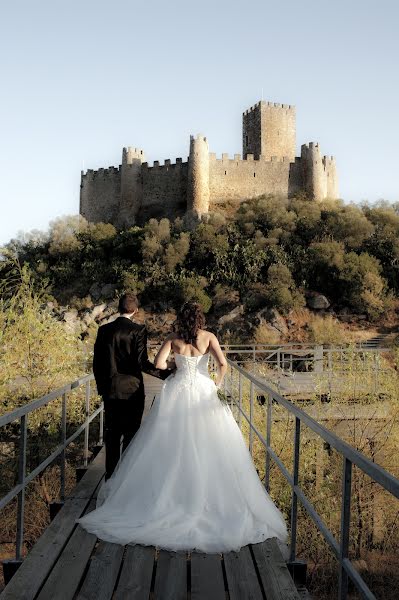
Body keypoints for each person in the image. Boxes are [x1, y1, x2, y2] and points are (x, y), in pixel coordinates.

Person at [78, 302, 288, 553]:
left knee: (170, 444)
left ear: (181, 319)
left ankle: (168, 497)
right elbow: (223, 365)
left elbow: (158, 364)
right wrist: (217, 385)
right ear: (200, 319)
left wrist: (175, 366)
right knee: (212, 443)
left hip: (177, 390)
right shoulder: (209, 337)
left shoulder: (173, 339)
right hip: (203, 390)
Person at [92, 293, 172, 479]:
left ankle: (110, 477)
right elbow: (142, 363)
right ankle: (125, 479)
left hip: (110, 390)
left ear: (118, 309)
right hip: (132, 390)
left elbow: (97, 364)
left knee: (111, 435)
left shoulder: (104, 330)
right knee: (131, 434)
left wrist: (101, 387)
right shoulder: (138, 330)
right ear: (135, 310)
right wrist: (166, 376)